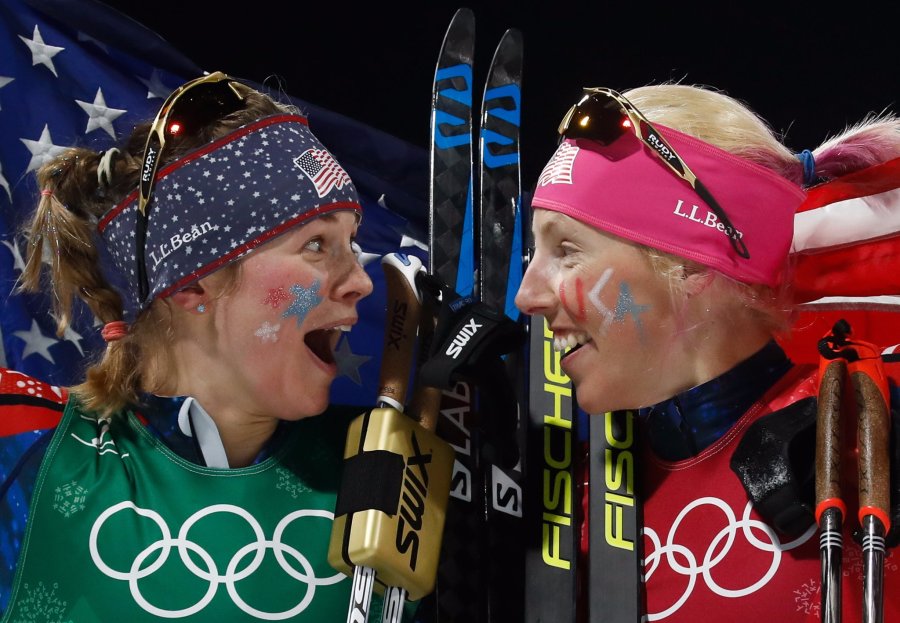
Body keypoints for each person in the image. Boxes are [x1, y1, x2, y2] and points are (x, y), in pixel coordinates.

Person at [515, 83, 900, 621]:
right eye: (536, 251)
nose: (526, 295)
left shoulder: (865, 437)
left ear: (693, 265)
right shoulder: (576, 500)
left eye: (567, 250)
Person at [0, 71, 377, 621]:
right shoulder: (24, 441)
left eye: (352, 243)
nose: (360, 281)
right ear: (191, 285)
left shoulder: (380, 467)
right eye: (317, 244)